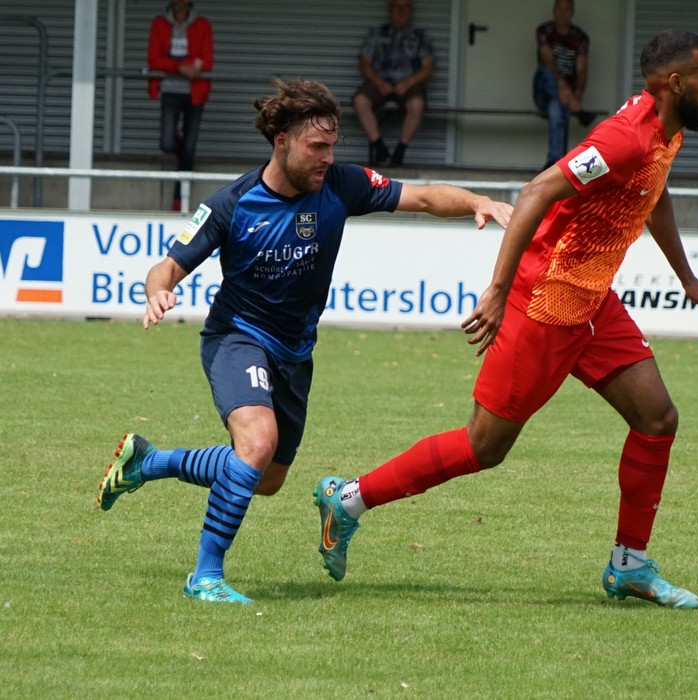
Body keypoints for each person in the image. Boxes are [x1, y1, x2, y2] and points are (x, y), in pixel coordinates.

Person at [314, 30, 698, 609]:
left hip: (593, 302)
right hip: (545, 303)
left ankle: (629, 565)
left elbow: (652, 193)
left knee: (657, 419)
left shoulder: (669, 129)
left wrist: (686, 277)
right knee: (484, 447)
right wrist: (498, 290)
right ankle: (349, 499)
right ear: (676, 83)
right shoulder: (622, 140)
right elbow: (535, 192)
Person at [96, 78, 512, 604]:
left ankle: (148, 462)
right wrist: (158, 292)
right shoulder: (231, 204)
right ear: (282, 141)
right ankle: (205, 576)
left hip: (295, 353)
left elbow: (424, 197)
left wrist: (478, 200)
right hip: (238, 337)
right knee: (256, 444)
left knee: (265, 477)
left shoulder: (340, 184)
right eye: (317, 146)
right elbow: (167, 265)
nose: (327, 157)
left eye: (332, 146)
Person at [147, 0, 213, 212]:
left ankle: (178, 201)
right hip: (170, 90)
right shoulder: (159, 23)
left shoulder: (202, 25)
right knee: (168, 142)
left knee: (189, 149)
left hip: (195, 92)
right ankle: (181, 151)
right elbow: (154, 59)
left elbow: (207, 59)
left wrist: (193, 67)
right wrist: (180, 67)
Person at [352, 0, 435, 167]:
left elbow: (428, 67)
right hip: (379, 82)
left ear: (411, 10)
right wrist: (380, 83)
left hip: (408, 84)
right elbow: (364, 63)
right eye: (397, 6)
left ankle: (399, 153)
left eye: (405, 7)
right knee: (360, 101)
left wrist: (408, 83)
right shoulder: (377, 33)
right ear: (390, 9)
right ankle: (379, 148)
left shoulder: (419, 36)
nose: (401, 11)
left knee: (417, 104)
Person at [533, 0, 595, 170]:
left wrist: (578, 95)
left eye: (567, 9)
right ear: (553, 11)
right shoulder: (544, 31)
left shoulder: (580, 37)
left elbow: (581, 70)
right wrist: (564, 88)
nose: (562, 13)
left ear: (572, 12)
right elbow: (548, 62)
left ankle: (553, 162)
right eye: (559, 9)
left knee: (556, 107)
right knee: (545, 73)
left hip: (562, 98)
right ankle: (577, 110)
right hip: (543, 91)